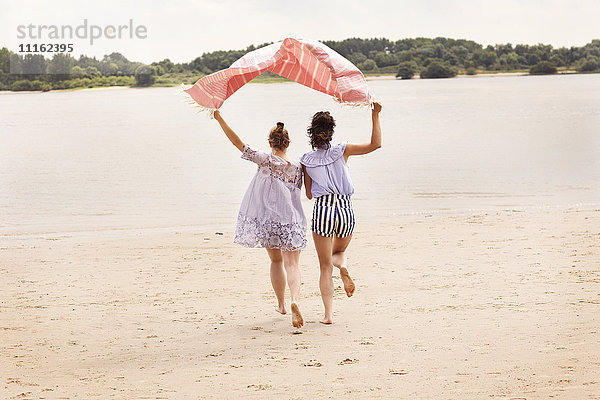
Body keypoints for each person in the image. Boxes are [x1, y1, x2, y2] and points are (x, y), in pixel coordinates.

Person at [213, 110, 306, 328]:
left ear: (270, 142)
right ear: (288, 143)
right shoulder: (296, 168)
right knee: (293, 264)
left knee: (275, 261)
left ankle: (282, 305)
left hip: (267, 222)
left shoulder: (264, 160)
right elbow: (301, 193)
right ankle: (294, 300)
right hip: (290, 222)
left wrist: (219, 118)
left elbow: (238, 143)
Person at [300, 102, 382, 324]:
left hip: (323, 210)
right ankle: (343, 266)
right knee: (338, 253)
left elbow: (308, 194)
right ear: (331, 132)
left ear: (312, 133)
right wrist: (375, 114)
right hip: (345, 209)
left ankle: (328, 315)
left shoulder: (306, 160)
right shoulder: (342, 150)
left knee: (325, 266)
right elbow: (376, 144)